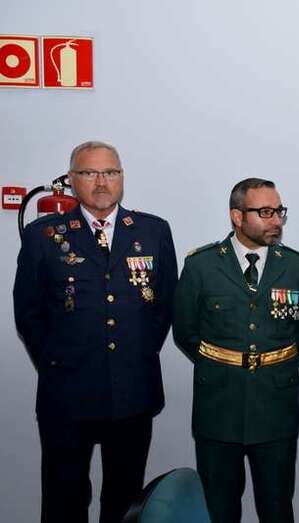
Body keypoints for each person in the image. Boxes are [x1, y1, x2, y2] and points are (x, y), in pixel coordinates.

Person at [13, 141, 178, 523]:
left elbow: (165, 305)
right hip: (67, 394)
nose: (101, 182)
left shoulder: (153, 231)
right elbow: (29, 313)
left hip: (132, 391)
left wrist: (136, 353)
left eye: (110, 172)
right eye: (89, 173)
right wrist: (58, 363)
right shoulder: (43, 235)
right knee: (64, 499)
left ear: (122, 177)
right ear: (72, 180)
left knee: (125, 501)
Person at [172, 178, 299, 523]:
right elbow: (185, 331)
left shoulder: (297, 267)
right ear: (237, 216)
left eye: (279, 211)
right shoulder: (201, 265)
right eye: (265, 212)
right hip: (218, 405)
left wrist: (269, 364)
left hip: (275, 405)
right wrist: (225, 364)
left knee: (277, 506)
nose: (276, 221)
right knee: (220, 507)